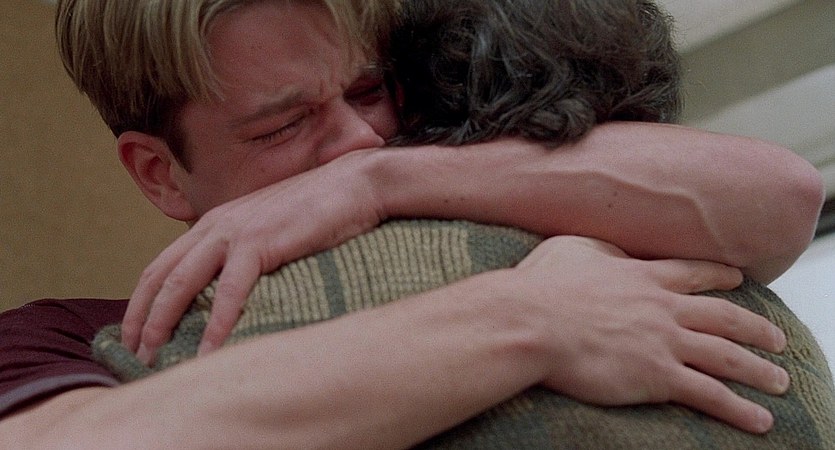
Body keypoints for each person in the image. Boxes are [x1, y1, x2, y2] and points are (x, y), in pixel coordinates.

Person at [0, 0, 823, 447]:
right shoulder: (59, 339)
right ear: (158, 172)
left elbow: (778, 193)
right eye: (283, 127)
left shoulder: (437, 183)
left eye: (369, 91)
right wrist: (530, 319)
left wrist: (381, 182)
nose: (357, 140)